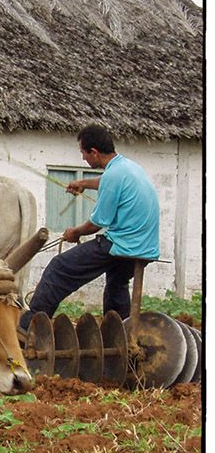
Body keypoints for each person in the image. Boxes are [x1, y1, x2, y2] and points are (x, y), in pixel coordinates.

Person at [20, 124, 160, 330]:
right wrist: (83, 184)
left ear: (93, 152)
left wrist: (74, 232)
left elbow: (96, 224)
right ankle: (119, 331)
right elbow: (106, 181)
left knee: (59, 268)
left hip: (122, 244)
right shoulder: (127, 167)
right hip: (144, 246)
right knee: (117, 283)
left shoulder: (113, 176)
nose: (83, 159)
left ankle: (30, 325)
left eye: (83, 154)